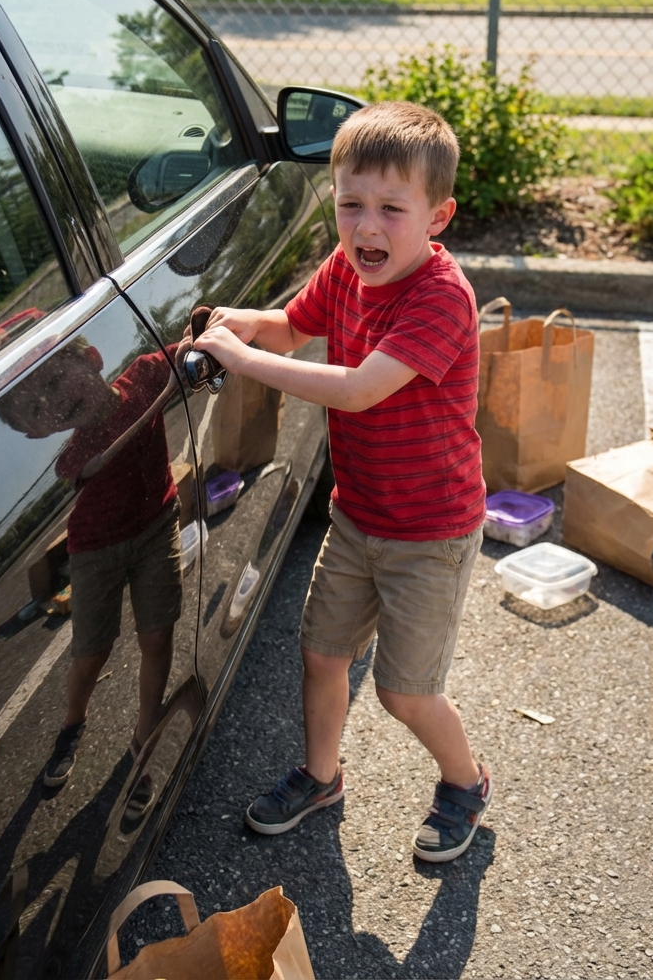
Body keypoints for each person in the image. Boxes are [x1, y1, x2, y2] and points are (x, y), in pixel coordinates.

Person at [194, 101, 489, 863]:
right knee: (322, 654)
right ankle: (321, 777)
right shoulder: (347, 268)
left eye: (392, 209)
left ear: (438, 216)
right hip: (357, 515)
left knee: (404, 692)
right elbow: (291, 328)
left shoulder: (440, 298)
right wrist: (240, 322)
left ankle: (464, 781)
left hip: (431, 531)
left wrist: (241, 359)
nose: (366, 227)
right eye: (350, 204)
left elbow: (357, 388)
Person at [0, 337, 184, 808]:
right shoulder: (72, 457)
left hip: (156, 523)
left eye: (58, 380)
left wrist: (203, 333)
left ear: (93, 357)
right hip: (96, 550)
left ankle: (144, 737)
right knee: (91, 652)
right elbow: (100, 461)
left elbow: (187, 349)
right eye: (40, 409)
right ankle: (71, 725)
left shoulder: (143, 374)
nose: (57, 401)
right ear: (40, 432)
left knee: (158, 634)